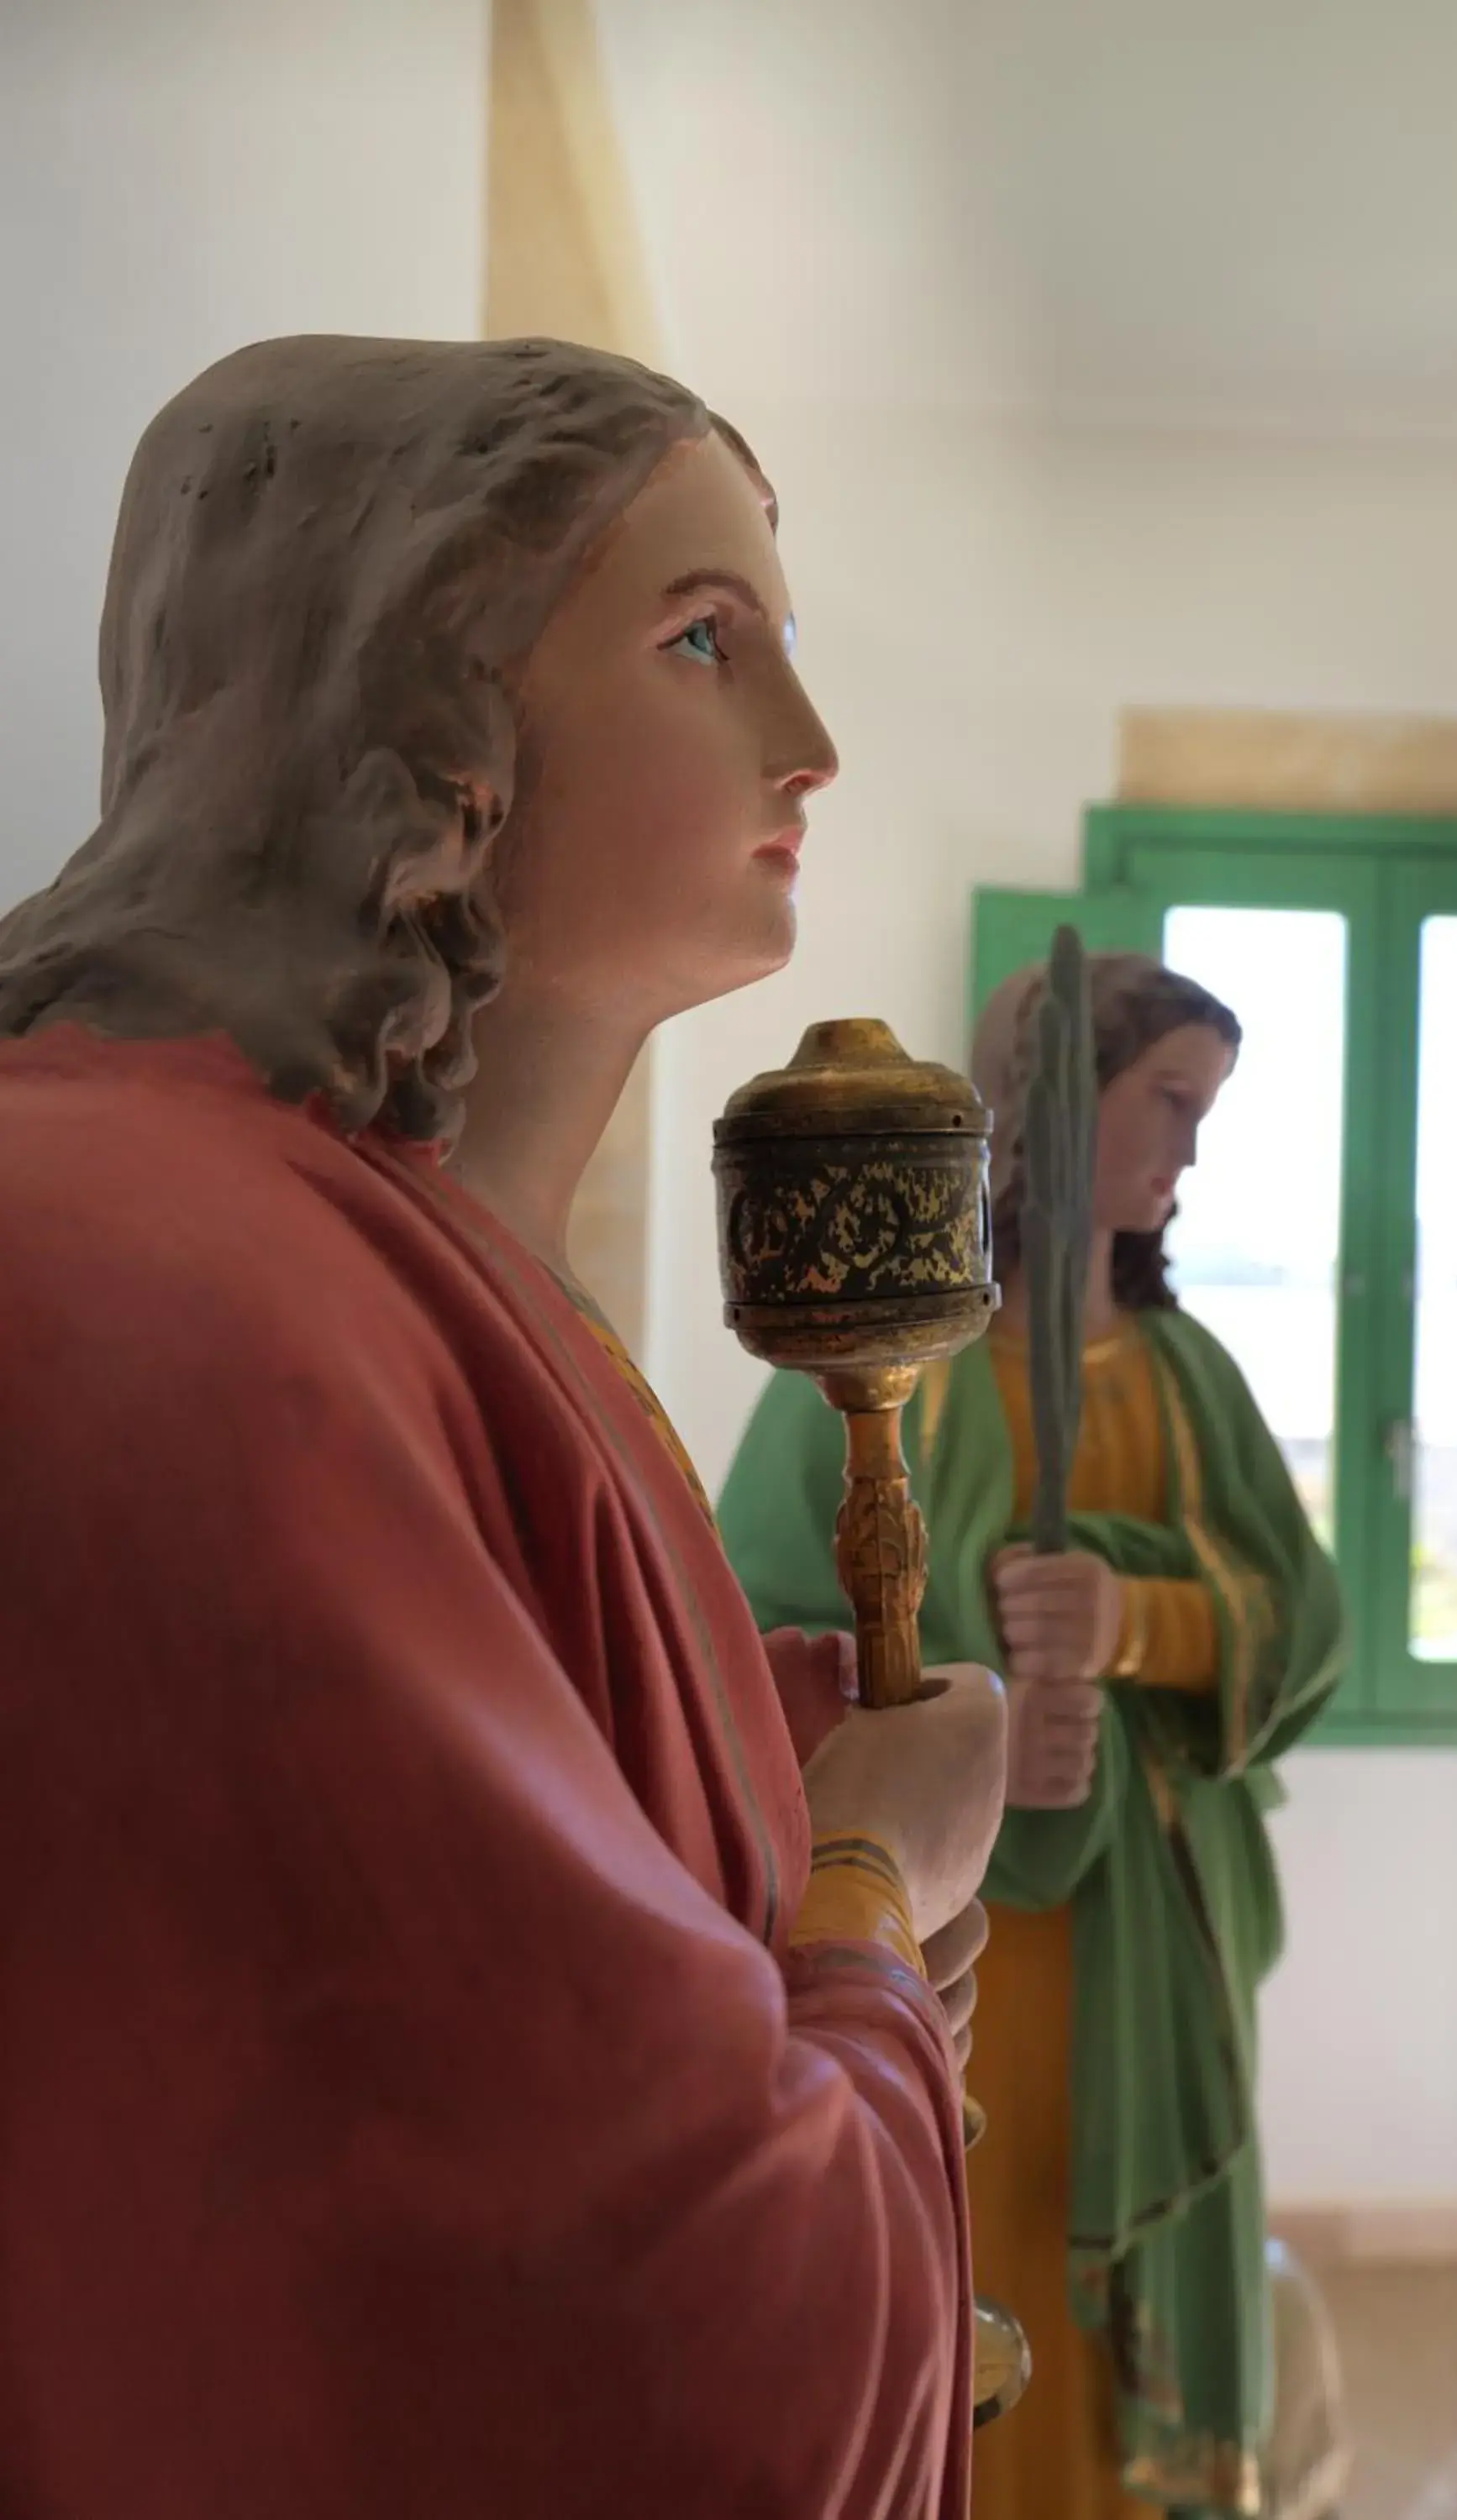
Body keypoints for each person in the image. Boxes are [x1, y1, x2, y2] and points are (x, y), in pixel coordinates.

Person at [0, 334, 1008, 2519]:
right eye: (701, 640)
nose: (812, 748)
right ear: (403, 694)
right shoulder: (179, 1287)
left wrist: (796, 1743)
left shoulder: (388, 1253)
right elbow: (704, 2363)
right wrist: (868, 1876)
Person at [721, 956, 1349, 2518]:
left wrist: (1143, 1624)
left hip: (1158, 1937)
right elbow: (749, 1636)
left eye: (1207, 1118)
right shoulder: (881, 1380)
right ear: (1050, 1112)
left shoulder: (1189, 1376)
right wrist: (987, 1715)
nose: (1190, 1155)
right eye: (1171, 1106)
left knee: (1117, 2298)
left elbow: (1310, 1616)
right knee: (971, 2256)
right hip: (959, 1945)